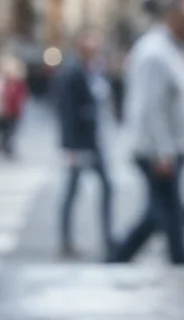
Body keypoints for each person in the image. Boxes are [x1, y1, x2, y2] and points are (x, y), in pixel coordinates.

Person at [109, 0, 184, 266]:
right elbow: (150, 108)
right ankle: (171, 265)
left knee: (162, 216)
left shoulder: (176, 52)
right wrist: (162, 152)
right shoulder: (155, 53)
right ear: (175, 18)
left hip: (172, 150)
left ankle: (122, 261)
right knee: (166, 216)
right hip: (157, 152)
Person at [56, 28, 114, 260]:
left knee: (107, 187)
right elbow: (65, 112)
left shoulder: (95, 71)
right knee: (72, 192)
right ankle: (66, 241)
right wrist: (68, 147)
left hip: (94, 141)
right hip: (79, 144)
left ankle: (108, 237)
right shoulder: (72, 73)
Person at [0, 57, 29, 159]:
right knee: (7, 131)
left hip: (15, 111)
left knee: (12, 131)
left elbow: (23, 96)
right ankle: (6, 147)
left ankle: (9, 147)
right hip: (6, 111)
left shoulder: (19, 84)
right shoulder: (5, 83)